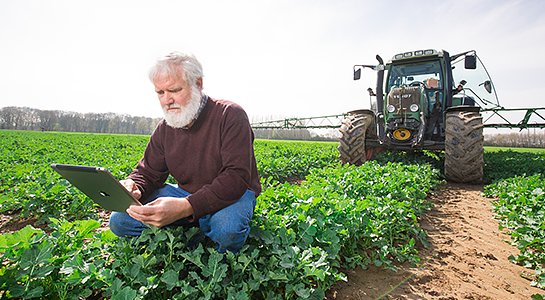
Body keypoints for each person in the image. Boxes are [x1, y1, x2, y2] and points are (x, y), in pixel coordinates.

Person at [109, 52, 261, 253]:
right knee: (120, 220)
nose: (167, 100)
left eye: (174, 90)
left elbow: (236, 178)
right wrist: (134, 185)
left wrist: (186, 207)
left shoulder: (230, 115)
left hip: (233, 194)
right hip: (185, 194)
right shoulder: (165, 128)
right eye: (160, 92)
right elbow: (148, 172)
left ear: (198, 83)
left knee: (227, 230)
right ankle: (200, 227)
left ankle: (193, 226)